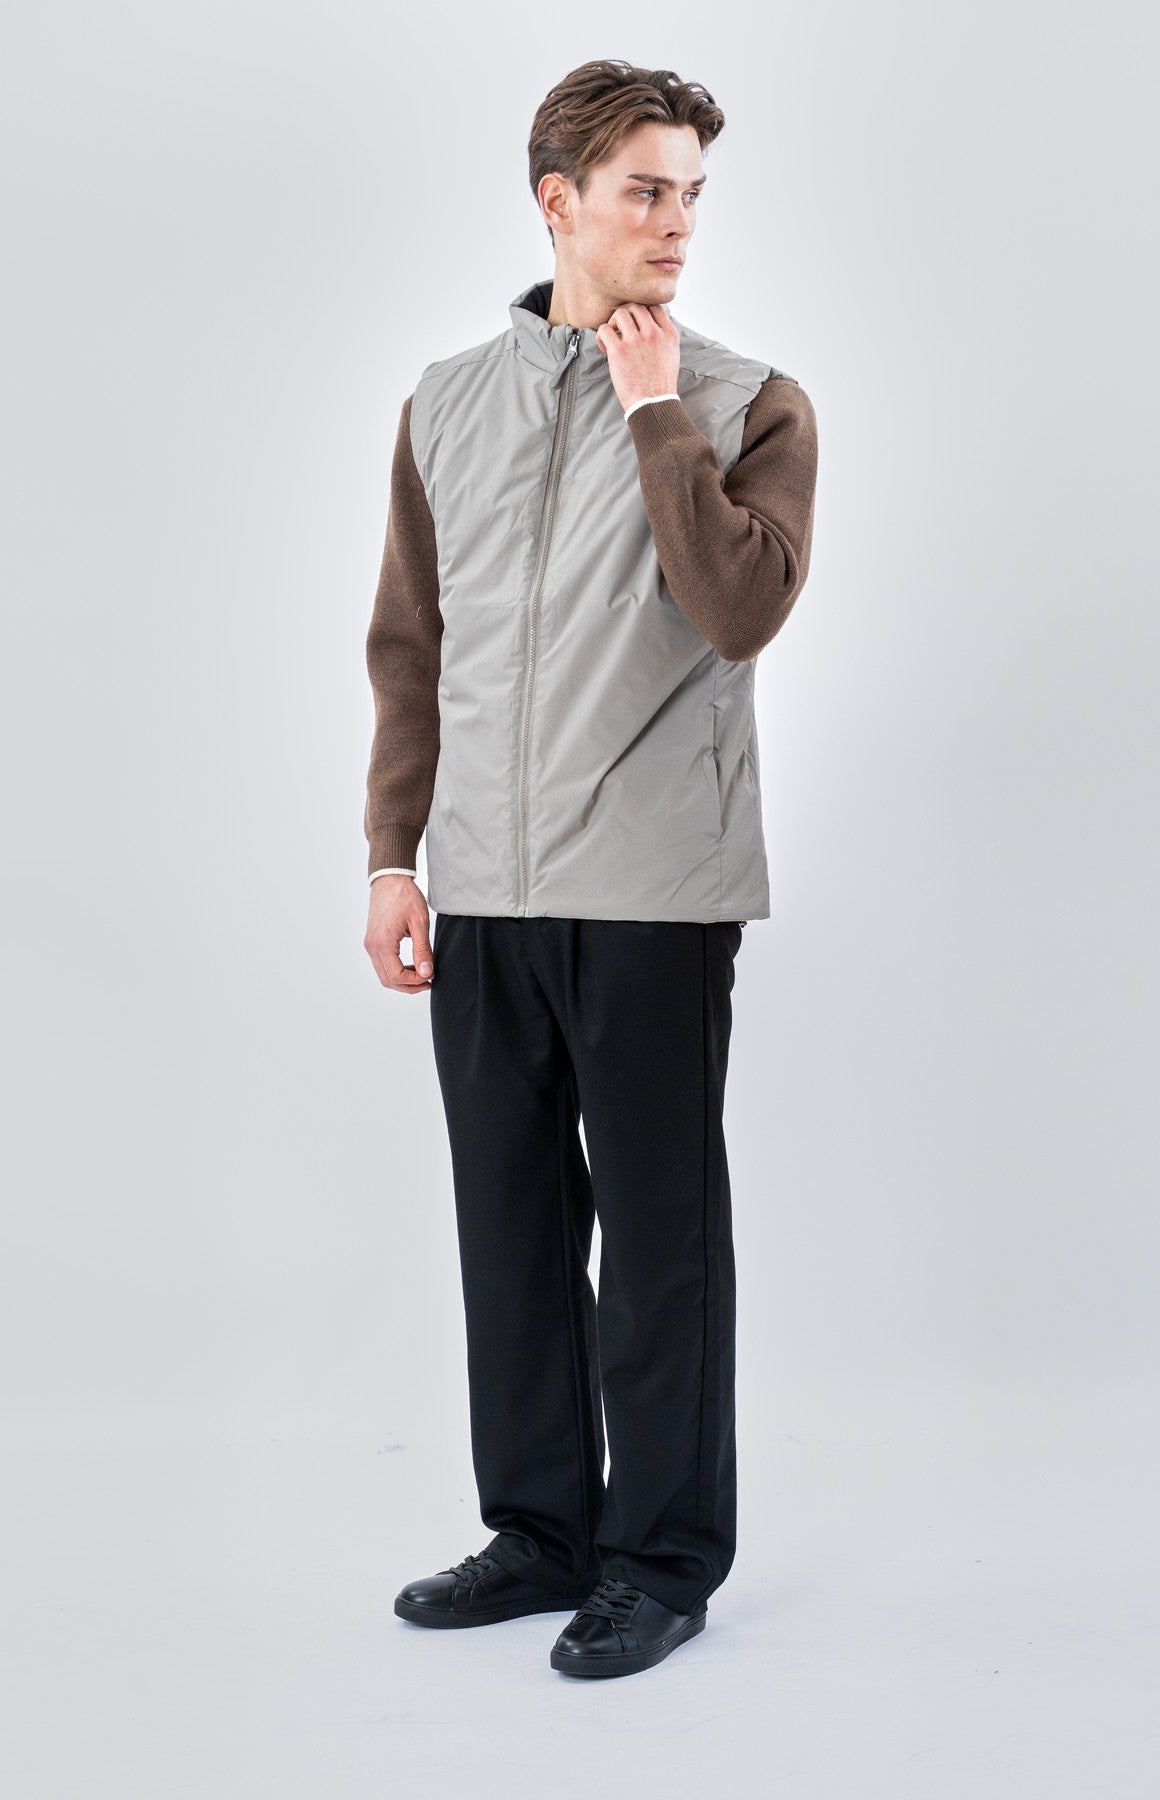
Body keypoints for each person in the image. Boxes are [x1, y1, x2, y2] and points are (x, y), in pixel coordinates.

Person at [362, 58, 818, 1681]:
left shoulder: (749, 402)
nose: (677, 221)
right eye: (646, 190)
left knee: (661, 1242)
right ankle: (542, 1532)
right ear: (558, 201)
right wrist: (393, 857)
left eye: (691, 193)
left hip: (653, 897)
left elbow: (740, 609)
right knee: (510, 1230)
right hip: (485, 890)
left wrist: (653, 413)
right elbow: (410, 650)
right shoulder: (445, 403)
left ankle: (664, 1559)